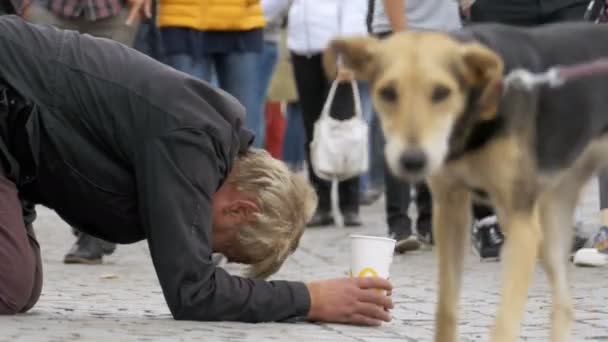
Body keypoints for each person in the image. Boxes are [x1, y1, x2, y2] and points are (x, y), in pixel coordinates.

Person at [0, 16, 393, 324]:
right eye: (222, 246)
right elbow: (193, 292)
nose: (206, 252)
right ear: (241, 210)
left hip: (16, 144)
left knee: (24, 286)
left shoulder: (208, 141)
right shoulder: (193, 141)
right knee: (9, 285)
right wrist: (312, 299)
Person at [18, 0, 149, 265]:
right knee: (52, 118)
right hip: (50, 12)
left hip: (114, 15)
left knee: (106, 121)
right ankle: (81, 213)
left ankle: (96, 229)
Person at [370, 0, 461, 253]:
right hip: (400, 29)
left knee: (433, 127)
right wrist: (404, 38)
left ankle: (429, 219)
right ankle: (399, 223)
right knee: (399, 126)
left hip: (444, 32)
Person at [288, 0, 369, 227]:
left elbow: (354, 9)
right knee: (313, 129)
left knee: (343, 126)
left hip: (335, 52)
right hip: (302, 52)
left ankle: (350, 203)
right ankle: (320, 203)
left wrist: (346, 57)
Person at [158, 0, 267, 149]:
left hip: (243, 19)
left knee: (247, 129)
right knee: (188, 125)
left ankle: (250, 171)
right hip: (183, 17)